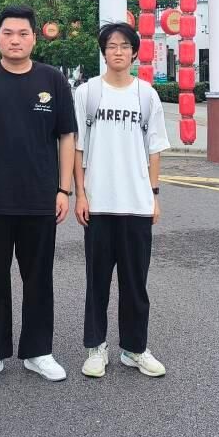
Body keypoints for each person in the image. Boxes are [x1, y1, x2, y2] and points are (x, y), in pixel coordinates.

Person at [0, 5, 76, 386]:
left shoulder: (53, 80)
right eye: (8, 33)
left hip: (40, 198)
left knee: (38, 277)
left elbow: (67, 136)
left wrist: (64, 189)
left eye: (23, 34)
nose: (15, 40)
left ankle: (38, 352)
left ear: (34, 38)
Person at [74, 22, 170, 379]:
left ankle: (134, 348)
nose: (118, 51)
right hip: (98, 204)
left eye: (124, 46)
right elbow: (78, 148)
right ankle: (96, 347)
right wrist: (80, 194)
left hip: (136, 204)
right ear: (103, 52)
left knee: (135, 284)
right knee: (97, 282)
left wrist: (154, 195)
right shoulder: (87, 93)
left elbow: (154, 149)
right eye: (111, 45)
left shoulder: (146, 95)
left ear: (134, 52)